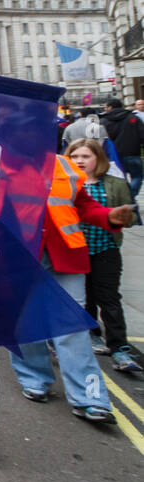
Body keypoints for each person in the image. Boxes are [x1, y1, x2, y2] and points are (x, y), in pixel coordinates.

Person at [9, 149, 134, 423]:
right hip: (19, 255)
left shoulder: (62, 164)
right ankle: (35, 378)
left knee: (73, 327)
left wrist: (108, 216)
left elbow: (83, 204)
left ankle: (90, 398)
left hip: (66, 255)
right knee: (25, 323)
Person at [67, 138, 141, 371]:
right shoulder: (66, 183)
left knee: (109, 298)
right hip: (75, 252)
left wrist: (121, 216)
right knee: (83, 298)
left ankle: (120, 348)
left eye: (86, 156)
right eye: (75, 156)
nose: (80, 161)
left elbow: (129, 217)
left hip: (105, 249)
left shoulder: (116, 183)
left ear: (98, 159)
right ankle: (92, 334)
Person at [101, 98, 143, 198]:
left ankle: (125, 197)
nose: (105, 109)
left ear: (110, 107)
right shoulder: (133, 118)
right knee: (137, 176)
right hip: (133, 153)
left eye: (106, 107)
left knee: (118, 178)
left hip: (112, 156)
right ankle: (131, 196)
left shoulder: (103, 121)